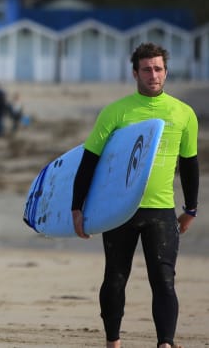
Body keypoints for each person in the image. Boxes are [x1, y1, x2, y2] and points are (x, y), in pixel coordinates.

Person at [71, 43, 199, 348]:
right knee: (115, 277)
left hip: (161, 210)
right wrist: (77, 208)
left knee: (164, 280)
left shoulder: (184, 114)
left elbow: (190, 165)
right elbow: (89, 160)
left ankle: (165, 343)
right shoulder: (117, 112)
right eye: (146, 69)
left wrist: (191, 208)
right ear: (135, 73)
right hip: (119, 210)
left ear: (166, 71)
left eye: (158, 68)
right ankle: (113, 342)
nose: (153, 75)